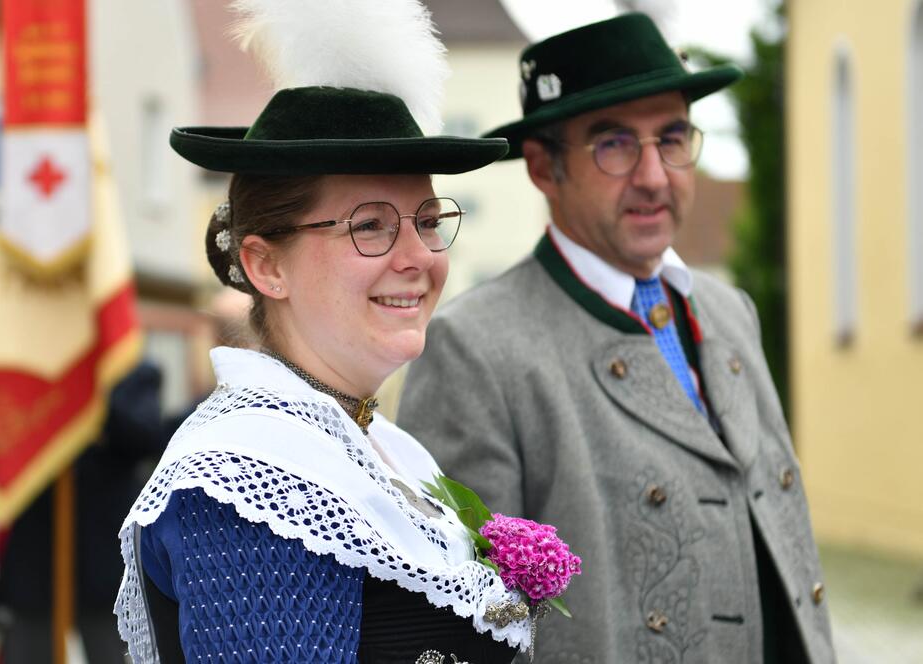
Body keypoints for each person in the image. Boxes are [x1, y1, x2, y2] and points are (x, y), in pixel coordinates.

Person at [112, 1, 544, 662]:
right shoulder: (250, 477)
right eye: (371, 226)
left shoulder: (382, 446)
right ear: (266, 266)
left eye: (429, 221)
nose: (419, 257)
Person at [398, 12, 836, 664]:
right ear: (543, 168)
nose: (655, 176)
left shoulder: (729, 311)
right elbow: (466, 626)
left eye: (673, 138)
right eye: (615, 144)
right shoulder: (474, 350)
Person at [0, 360, 168, 664]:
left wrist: (85, 393)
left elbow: (147, 440)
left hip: (106, 569)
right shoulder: (18, 375)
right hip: (32, 568)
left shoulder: (128, 364)